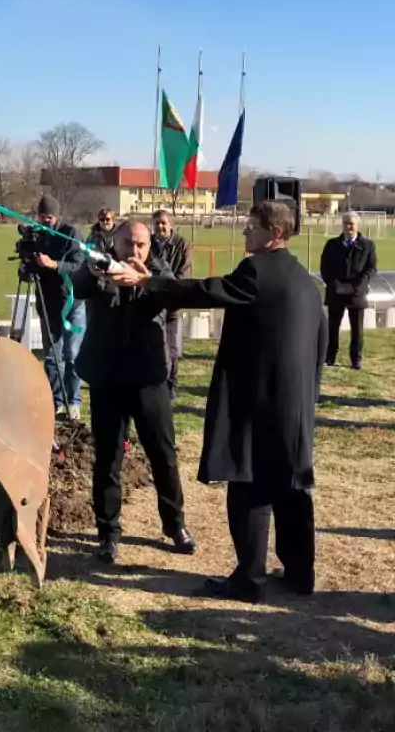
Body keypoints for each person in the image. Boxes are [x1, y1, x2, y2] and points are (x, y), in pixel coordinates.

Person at [114, 201, 327, 603]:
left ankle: (249, 580)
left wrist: (148, 283)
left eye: (250, 227)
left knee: (248, 487)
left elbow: (206, 290)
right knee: (292, 487)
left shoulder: (257, 271)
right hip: (295, 407)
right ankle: (301, 575)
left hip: (257, 403)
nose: (244, 233)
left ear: (274, 234)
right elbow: (321, 344)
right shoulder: (306, 281)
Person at [71, 216, 196, 563]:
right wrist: (97, 272)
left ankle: (175, 525)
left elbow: (174, 295)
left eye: (142, 244)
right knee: (108, 459)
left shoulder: (158, 270)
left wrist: (147, 278)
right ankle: (107, 533)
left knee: (164, 456)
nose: (135, 249)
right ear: (117, 242)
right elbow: (77, 285)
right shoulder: (100, 263)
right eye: (129, 243)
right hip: (108, 378)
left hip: (149, 378)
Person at [31, 195, 86, 421]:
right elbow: (26, 268)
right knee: (53, 356)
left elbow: (79, 263)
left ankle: (73, 400)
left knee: (72, 354)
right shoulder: (36, 236)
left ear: (57, 215)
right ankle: (57, 401)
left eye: (50, 217)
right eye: (42, 217)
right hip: (48, 302)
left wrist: (54, 264)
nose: (46, 221)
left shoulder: (70, 234)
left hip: (73, 302)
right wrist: (28, 269)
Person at [320, 212, 377, 370]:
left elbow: (371, 269)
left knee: (357, 330)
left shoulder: (367, 245)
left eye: (351, 223)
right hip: (335, 292)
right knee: (332, 327)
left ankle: (356, 359)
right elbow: (325, 268)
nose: (348, 226)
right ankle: (330, 357)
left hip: (356, 293)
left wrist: (356, 286)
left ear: (358, 225)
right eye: (345, 223)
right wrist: (335, 285)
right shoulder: (332, 244)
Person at [150, 209, 192, 399]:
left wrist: (173, 289)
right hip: (150, 302)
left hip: (172, 302)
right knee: (152, 345)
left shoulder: (181, 245)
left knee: (171, 348)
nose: (160, 226)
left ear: (171, 225)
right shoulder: (148, 243)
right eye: (157, 223)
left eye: (163, 223)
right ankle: (154, 382)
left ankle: (170, 385)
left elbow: (185, 272)